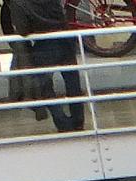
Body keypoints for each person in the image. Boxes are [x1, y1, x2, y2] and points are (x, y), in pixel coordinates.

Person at [14, 0, 85, 133]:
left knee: (44, 86)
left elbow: (22, 30)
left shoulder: (18, 3)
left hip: (43, 45)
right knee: (73, 82)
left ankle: (62, 122)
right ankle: (78, 122)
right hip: (65, 39)